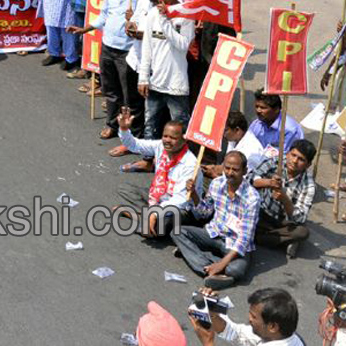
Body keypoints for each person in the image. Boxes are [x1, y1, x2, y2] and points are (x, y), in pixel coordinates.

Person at [69, 0, 143, 138]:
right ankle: (112, 125)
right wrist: (84, 29)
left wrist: (133, 20)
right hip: (108, 47)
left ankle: (133, 133)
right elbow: (103, 16)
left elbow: (145, 20)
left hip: (128, 51)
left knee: (129, 95)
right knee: (111, 91)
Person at [173, 150, 259, 289]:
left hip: (234, 244)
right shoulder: (216, 183)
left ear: (245, 171)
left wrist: (222, 264)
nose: (230, 173)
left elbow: (244, 239)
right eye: (227, 168)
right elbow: (204, 213)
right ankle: (209, 269)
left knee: (235, 270)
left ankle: (212, 264)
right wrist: (194, 194)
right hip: (213, 233)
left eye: (235, 170)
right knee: (178, 232)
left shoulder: (252, 198)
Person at [113, 109, 199, 238]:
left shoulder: (190, 164)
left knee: (157, 228)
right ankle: (147, 218)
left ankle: (139, 217)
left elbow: (181, 200)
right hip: (160, 197)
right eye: (165, 136)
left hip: (181, 208)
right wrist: (124, 130)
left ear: (184, 139)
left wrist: (155, 213)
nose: (167, 141)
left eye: (173, 138)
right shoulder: (160, 146)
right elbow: (134, 145)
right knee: (125, 189)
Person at [136, 0, 195, 137]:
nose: (159, 0)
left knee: (180, 127)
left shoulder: (185, 13)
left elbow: (183, 45)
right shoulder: (153, 13)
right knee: (150, 124)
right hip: (154, 82)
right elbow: (147, 47)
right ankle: (148, 159)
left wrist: (165, 21)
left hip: (176, 84)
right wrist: (143, 78)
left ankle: (179, 161)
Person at [251, 140, 316, 259]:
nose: (295, 161)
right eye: (293, 155)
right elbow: (251, 179)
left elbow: (300, 217)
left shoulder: (308, 185)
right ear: (287, 154)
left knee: (302, 232)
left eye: (301, 159)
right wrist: (268, 182)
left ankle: (257, 237)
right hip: (262, 211)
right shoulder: (276, 162)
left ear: (308, 165)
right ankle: (277, 240)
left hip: (284, 222)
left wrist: (284, 199)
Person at [188, 285, 304, 346]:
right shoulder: (281, 334)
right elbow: (236, 333)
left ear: (273, 327)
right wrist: (212, 313)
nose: (249, 319)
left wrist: (208, 343)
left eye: (254, 317)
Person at [249, 90, 303, 155]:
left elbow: (286, 157)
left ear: (276, 109)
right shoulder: (256, 124)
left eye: (263, 108)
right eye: (257, 106)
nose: (258, 111)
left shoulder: (289, 129)